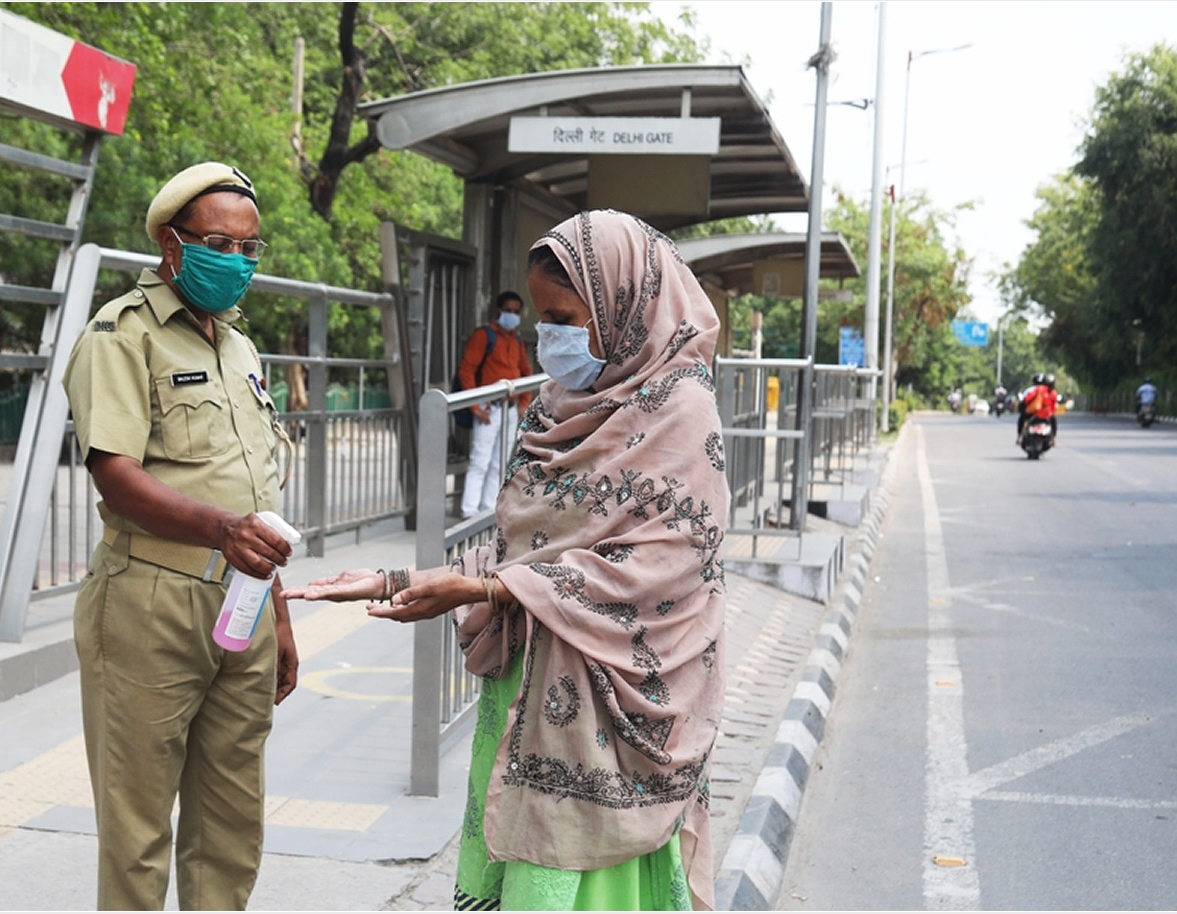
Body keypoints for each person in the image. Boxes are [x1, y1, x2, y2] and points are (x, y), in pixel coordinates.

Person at [284, 210, 730, 911]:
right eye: (542, 319)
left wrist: (489, 588)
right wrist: (408, 578)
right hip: (530, 686)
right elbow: (519, 541)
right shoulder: (555, 406)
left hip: (614, 711)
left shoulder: (679, 409)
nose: (549, 338)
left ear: (622, 307)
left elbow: (666, 566)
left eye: (564, 318)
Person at [61, 161, 300, 911]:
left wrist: (281, 615)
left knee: (232, 825)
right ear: (171, 243)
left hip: (245, 605)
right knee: (136, 834)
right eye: (217, 245)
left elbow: (256, 498)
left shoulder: (238, 349)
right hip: (150, 603)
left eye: (249, 249)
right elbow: (116, 474)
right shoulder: (119, 335)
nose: (235, 263)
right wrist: (219, 529)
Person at [457, 290, 534, 518]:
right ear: (498, 311)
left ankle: (488, 510)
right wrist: (474, 407)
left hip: (510, 408)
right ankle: (469, 512)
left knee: (499, 463)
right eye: (508, 311)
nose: (512, 315)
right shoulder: (484, 336)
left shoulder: (516, 339)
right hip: (489, 406)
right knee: (480, 460)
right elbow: (467, 370)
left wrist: (523, 402)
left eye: (516, 312)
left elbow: (526, 372)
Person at [1017, 371, 1061, 444]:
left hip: (1034, 413)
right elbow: (1054, 406)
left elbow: (1027, 399)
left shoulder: (1035, 389)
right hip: (1046, 414)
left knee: (1022, 418)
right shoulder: (1053, 392)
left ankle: (1019, 436)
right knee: (1054, 421)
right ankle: (1053, 439)